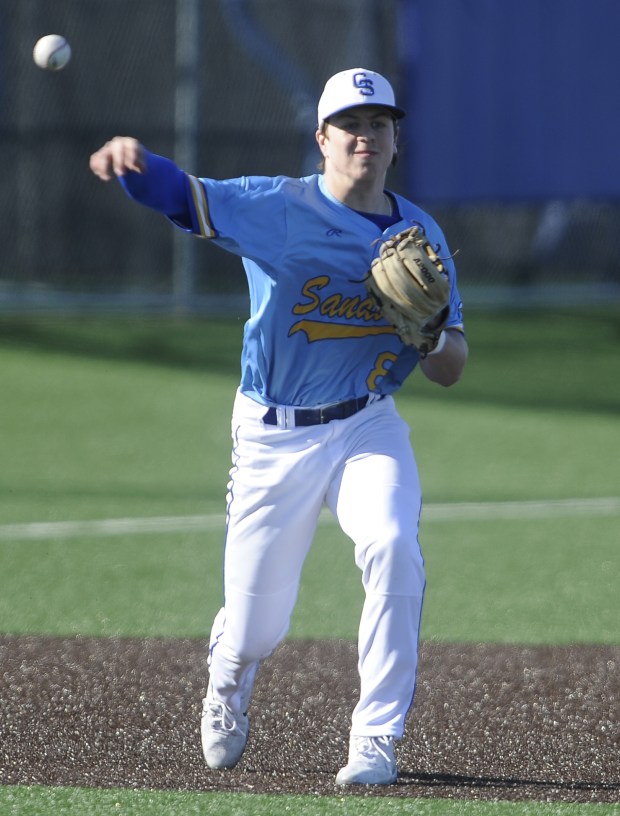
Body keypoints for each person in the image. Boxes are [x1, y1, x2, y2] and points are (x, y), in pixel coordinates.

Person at [89, 67, 468, 786]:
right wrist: (136, 165)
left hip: (366, 424)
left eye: (379, 124)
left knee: (392, 544)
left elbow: (452, 364)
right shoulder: (278, 207)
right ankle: (228, 677)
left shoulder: (423, 234)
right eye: (350, 124)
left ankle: (375, 738)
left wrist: (427, 338)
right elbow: (186, 196)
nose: (365, 136)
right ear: (321, 138)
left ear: (395, 142)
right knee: (258, 625)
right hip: (273, 434)